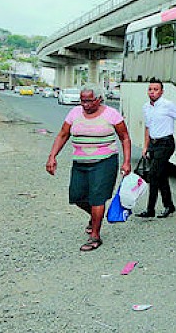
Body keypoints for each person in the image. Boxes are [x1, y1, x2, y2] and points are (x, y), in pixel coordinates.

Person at [45, 85, 131, 252]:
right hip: (80, 162)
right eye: (82, 101)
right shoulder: (74, 113)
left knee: (98, 197)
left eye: (89, 101)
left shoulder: (111, 114)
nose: (85, 104)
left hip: (105, 161)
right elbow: (63, 134)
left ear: (99, 99)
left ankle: (95, 236)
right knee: (77, 196)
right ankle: (94, 216)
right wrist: (52, 156)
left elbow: (125, 138)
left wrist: (126, 161)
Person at [137, 79, 176, 219]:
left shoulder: (168, 105)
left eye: (155, 89)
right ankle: (169, 206)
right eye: (150, 89)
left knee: (153, 174)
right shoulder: (146, 107)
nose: (152, 92)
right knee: (161, 176)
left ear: (161, 91)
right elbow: (148, 128)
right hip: (153, 144)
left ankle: (150, 209)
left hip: (166, 143)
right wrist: (145, 147)